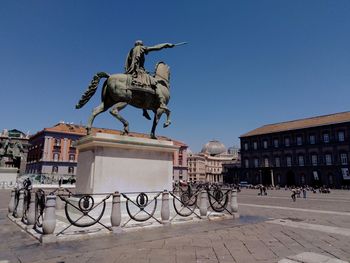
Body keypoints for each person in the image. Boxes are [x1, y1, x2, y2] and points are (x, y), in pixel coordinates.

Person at [125, 40, 175, 119]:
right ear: (141, 44)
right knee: (154, 83)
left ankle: (144, 110)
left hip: (132, 71)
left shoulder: (131, 51)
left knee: (145, 88)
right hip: (138, 72)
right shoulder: (141, 48)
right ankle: (162, 103)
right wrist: (166, 44)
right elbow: (156, 47)